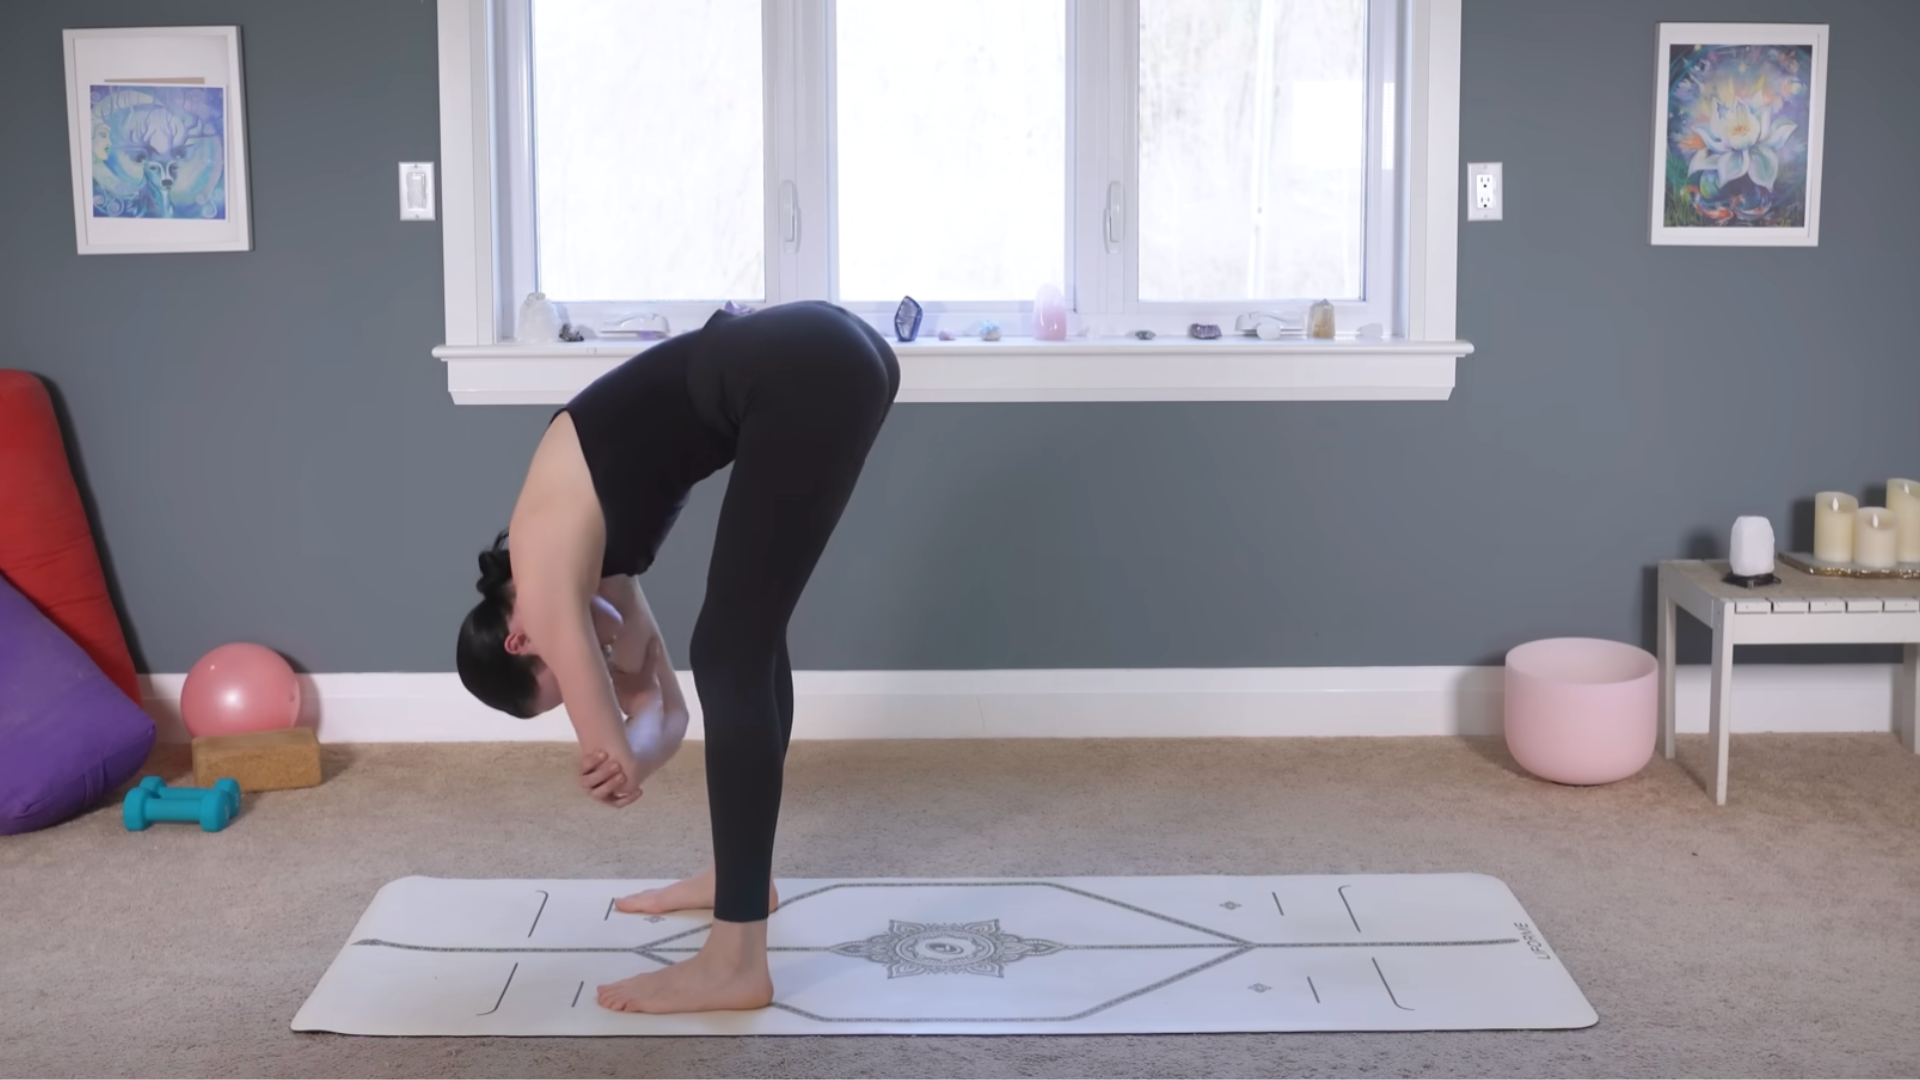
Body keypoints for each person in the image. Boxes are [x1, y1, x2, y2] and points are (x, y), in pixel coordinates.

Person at [455, 300, 899, 1014]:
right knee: (744, 643)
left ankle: (735, 961)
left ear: (520, 639)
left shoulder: (540, 567)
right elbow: (667, 706)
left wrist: (617, 756)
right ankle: (739, 878)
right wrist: (633, 756)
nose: (585, 668)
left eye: (560, 683)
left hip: (808, 364)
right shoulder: (590, 559)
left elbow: (621, 727)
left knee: (729, 648)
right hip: (832, 353)